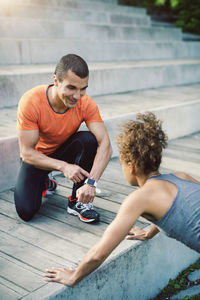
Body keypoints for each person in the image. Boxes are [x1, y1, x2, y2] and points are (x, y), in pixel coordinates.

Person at [44, 112, 200, 286]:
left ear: (131, 167)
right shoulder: (182, 177)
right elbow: (181, 208)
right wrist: (149, 233)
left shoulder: (139, 198)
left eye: (122, 164)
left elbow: (98, 254)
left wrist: (73, 277)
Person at [14, 54, 112, 223]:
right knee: (26, 211)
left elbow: (106, 145)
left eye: (83, 88)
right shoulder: (31, 101)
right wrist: (64, 167)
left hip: (62, 151)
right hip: (37, 159)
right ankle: (45, 182)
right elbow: (26, 153)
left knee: (88, 139)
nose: (77, 95)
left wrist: (91, 183)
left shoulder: (86, 103)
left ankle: (77, 202)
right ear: (56, 81)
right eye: (71, 88)